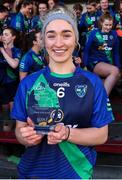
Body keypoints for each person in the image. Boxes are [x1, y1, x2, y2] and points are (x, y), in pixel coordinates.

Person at [11, 6, 114, 179]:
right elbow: (19, 130)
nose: (58, 43)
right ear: (43, 41)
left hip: (76, 173)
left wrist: (66, 133)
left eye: (66, 34)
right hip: (34, 172)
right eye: (51, 35)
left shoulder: (92, 82)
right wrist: (26, 137)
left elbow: (101, 135)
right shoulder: (29, 83)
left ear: (75, 40)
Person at [83, 12, 120, 95]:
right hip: (95, 62)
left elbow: (116, 53)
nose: (108, 27)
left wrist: (118, 67)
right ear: (101, 23)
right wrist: (84, 65)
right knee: (114, 71)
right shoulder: (94, 33)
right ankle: (104, 99)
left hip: (108, 64)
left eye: (110, 25)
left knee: (113, 75)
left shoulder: (114, 34)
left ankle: (98, 101)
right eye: (106, 25)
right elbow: (86, 50)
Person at [0, 27, 22, 131]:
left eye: (6, 34)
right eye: (3, 34)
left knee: (13, 110)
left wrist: (3, 51)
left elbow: (14, 64)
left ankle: (14, 135)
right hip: (1, 85)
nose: (3, 36)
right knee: (5, 112)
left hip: (13, 84)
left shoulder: (17, 50)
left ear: (13, 37)